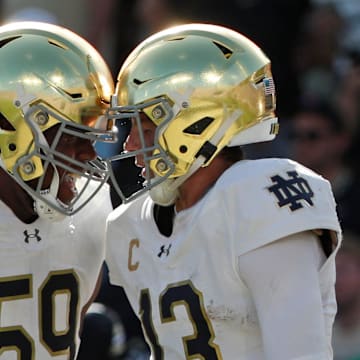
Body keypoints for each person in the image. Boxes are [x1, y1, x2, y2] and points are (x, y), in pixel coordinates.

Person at [105, 23, 342, 359]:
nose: (129, 145)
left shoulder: (255, 198)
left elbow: (298, 352)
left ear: (198, 124)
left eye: (144, 128)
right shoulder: (131, 224)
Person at [0, 21, 115, 359]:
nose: (89, 154)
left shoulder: (94, 212)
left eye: (90, 136)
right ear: (9, 130)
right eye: (71, 137)